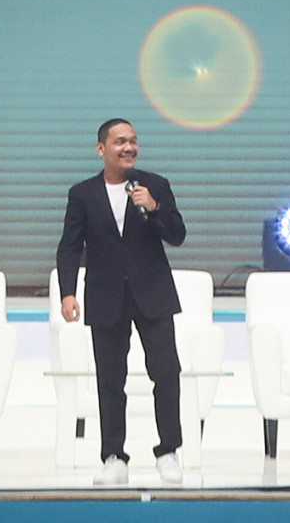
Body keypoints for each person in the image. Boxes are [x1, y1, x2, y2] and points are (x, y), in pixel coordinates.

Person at [56, 118, 187, 485]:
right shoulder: (82, 194)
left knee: (166, 373)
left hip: (153, 294)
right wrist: (68, 292)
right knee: (110, 380)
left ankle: (169, 452)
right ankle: (114, 457)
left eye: (133, 141)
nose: (129, 148)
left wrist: (154, 207)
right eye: (120, 142)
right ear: (102, 149)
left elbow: (177, 235)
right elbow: (70, 247)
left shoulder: (155, 185)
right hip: (105, 295)